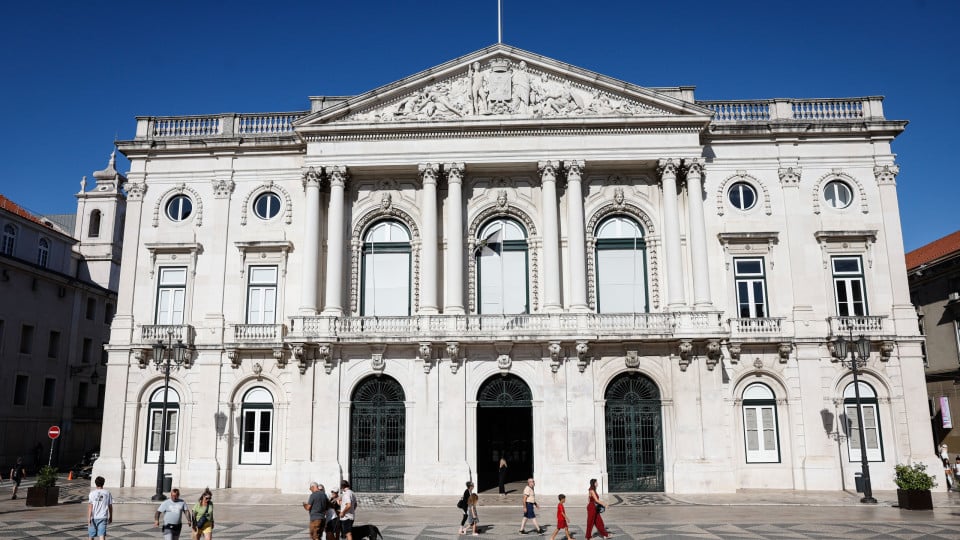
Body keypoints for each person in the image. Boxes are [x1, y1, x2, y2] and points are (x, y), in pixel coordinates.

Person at [87, 476, 113, 540]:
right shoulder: (107, 493)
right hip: (103, 516)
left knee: (91, 536)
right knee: (102, 535)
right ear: (103, 483)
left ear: (95, 483)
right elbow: (110, 506)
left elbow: (90, 507)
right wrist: (111, 517)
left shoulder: (92, 493)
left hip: (93, 517)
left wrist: (88, 518)